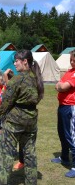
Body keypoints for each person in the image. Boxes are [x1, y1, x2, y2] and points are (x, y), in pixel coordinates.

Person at [0, 50, 44, 185]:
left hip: (14, 122)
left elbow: (6, 102)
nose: (15, 63)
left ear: (25, 61)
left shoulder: (17, 80)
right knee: (30, 154)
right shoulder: (37, 78)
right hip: (31, 121)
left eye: (17, 60)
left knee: (6, 155)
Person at [51, 49, 75, 178]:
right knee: (62, 133)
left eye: (74, 60)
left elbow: (63, 87)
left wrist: (59, 86)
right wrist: (60, 85)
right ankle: (65, 157)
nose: (72, 62)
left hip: (71, 106)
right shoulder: (69, 72)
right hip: (62, 106)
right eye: (71, 59)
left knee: (71, 136)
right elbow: (60, 85)